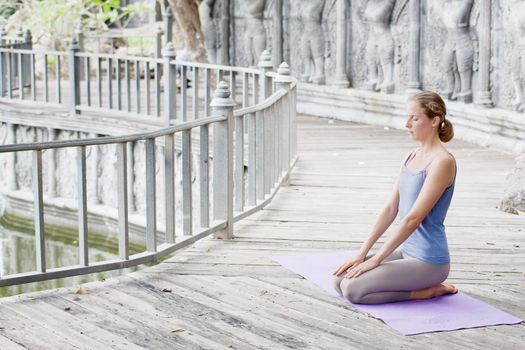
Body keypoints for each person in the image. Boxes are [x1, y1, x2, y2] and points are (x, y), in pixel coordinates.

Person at [333, 91, 458, 305]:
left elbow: (413, 218)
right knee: (339, 280)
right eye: (407, 117)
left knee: (353, 290)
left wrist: (377, 260)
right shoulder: (412, 155)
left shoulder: (442, 162)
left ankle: (426, 292)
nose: (407, 124)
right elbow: (391, 208)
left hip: (429, 261)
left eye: (415, 118)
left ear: (435, 121)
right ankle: (417, 286)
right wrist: (362, 254)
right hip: (406, 251)